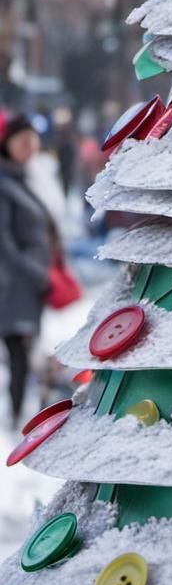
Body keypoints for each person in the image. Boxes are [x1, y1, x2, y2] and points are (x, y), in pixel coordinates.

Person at [0, 115, 54, 426]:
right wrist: (36, 272)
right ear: (7, 143)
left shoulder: (24, 178)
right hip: (13, 285)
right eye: (22, 143)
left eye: (32, 143)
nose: (28, 149)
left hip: (27, 284)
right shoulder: (5, 183)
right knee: (18, 352)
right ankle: (16, 418)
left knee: (24, 351)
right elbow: (4, 243)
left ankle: (20, 413)